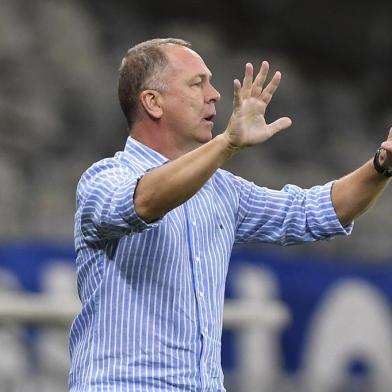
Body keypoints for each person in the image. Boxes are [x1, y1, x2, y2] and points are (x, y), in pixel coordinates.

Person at [69, 38, 392, 392]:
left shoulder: (221, 191)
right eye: (197, 83)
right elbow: (143, 202)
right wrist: (227, 143)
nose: (215, 95)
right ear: (153, 102)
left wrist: (381, 166)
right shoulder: (101, 181)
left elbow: (312, 212)